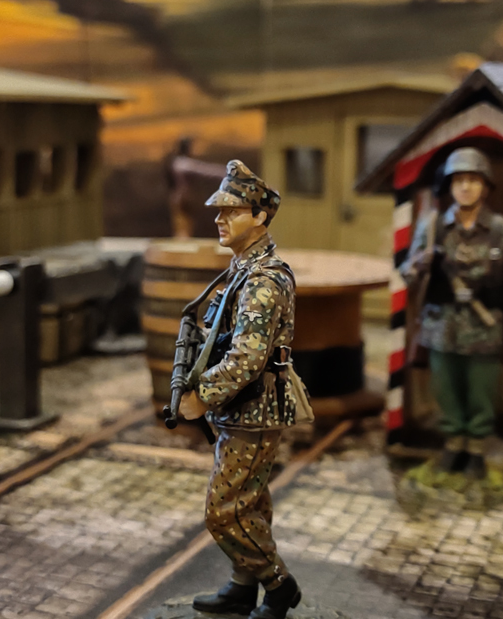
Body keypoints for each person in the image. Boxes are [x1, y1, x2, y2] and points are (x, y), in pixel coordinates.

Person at [177, 160, 301, 619]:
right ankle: (243, 586)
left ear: (260, 216)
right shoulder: (243, 270)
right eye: (219, 210)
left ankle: (279, 585)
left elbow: (246, 360)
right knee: (251, 502)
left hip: (254, 409)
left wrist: (200, 396)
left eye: (232, 210)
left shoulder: (263, 280)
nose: (219, 218)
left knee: (224, 511)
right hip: (241, 409)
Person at [400, 147, 503, 479]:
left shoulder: (501, 231)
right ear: (450, 186)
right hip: (442, 326)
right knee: (446, 390)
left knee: (480, 393)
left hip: (484, 329)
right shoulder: (433, 227)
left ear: (485, 187)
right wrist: (421, 262)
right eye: (459, 180)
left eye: (473, 180)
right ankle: (453, 443)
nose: (465, 187)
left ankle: (475, 447)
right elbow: (408, 275)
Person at [165, 137, 228, 238]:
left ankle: (182, 239)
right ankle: (182, 240)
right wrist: (225, 172)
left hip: (179, 196)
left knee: (184, 223)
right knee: (183, 223)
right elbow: (204, 170)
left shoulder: (177, 162)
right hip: (183, 197)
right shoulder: (183, 163)